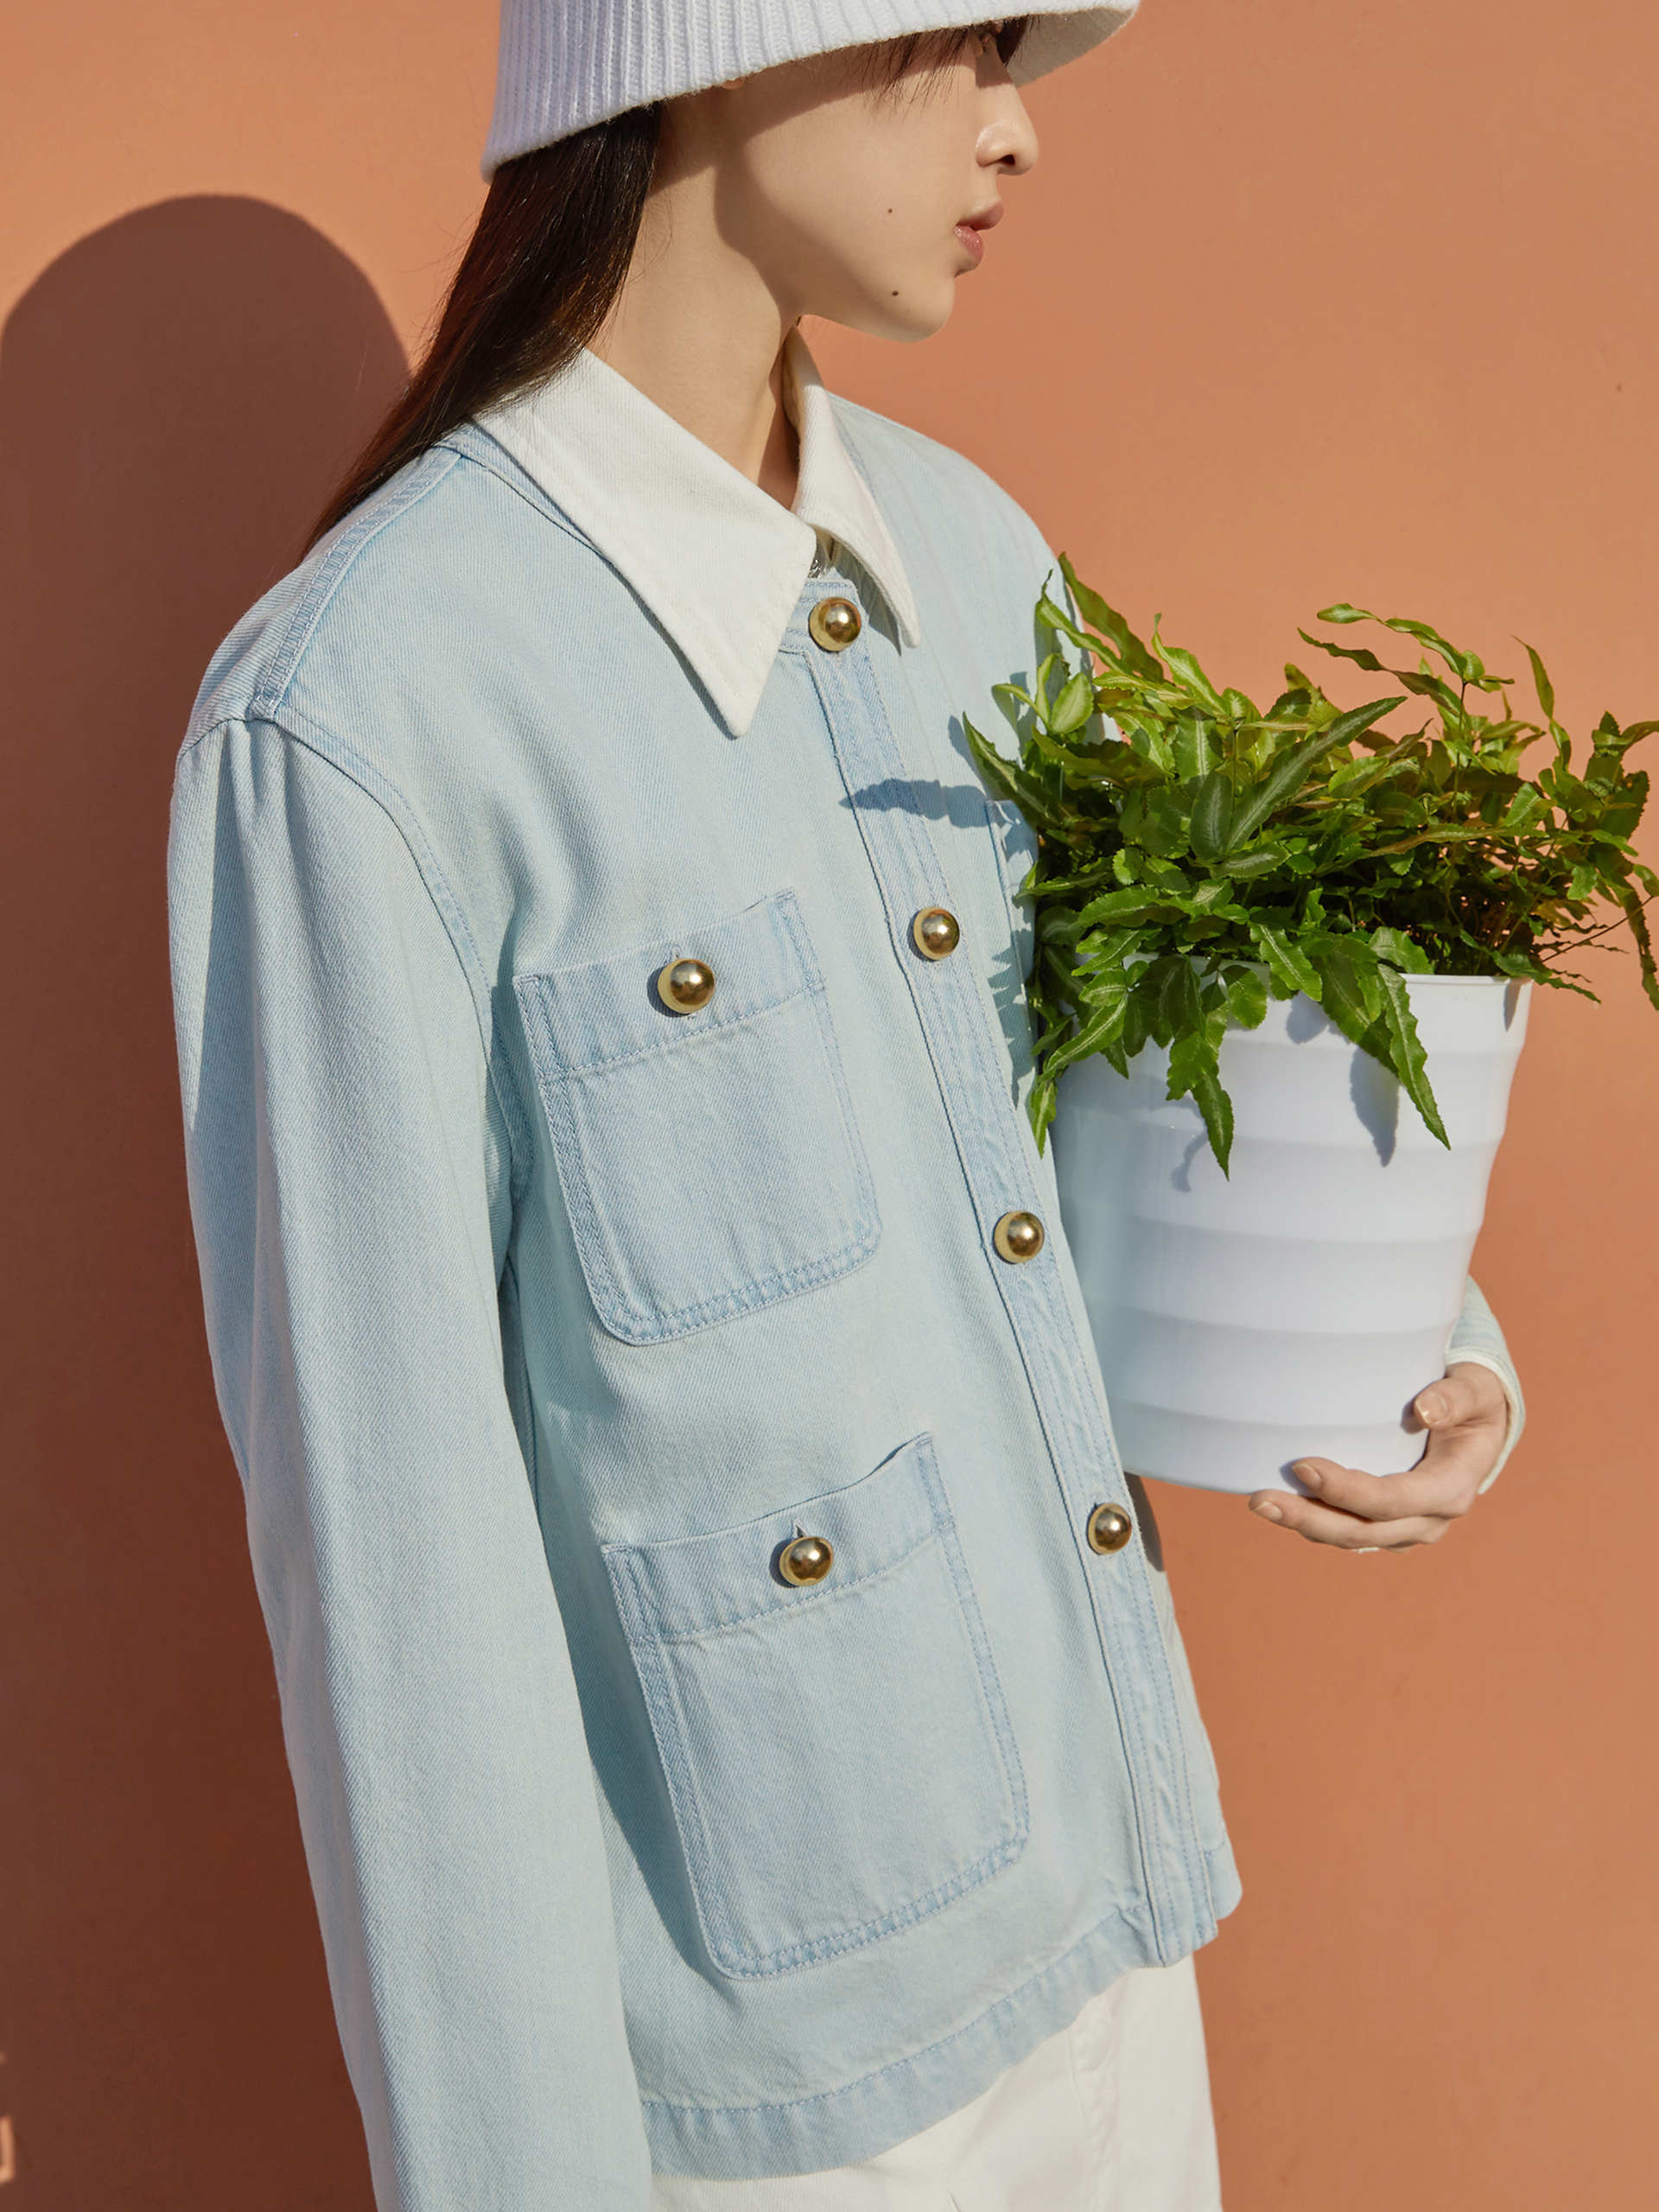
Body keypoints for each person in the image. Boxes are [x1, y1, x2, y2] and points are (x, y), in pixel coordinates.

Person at [165, 5, 1523, 2206]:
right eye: (957, 47)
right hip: (766, 2117)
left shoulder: (979, 569)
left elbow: (1115, 1128)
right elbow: (402, 1596)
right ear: (714, 48)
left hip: (1116, 1954)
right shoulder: (366, 714)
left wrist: (1415, 1340)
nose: (1018, 130)